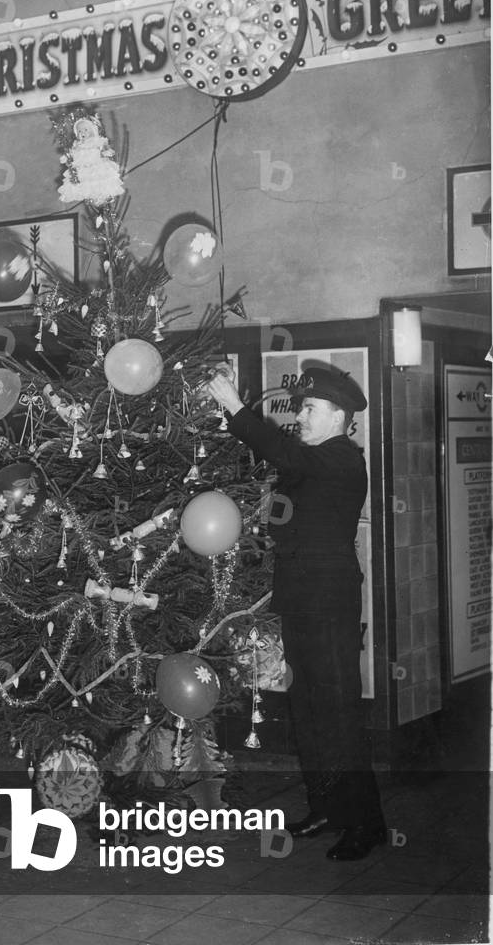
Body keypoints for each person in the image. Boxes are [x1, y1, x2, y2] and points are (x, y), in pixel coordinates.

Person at [208, 363, 386, 861]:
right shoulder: (312, 459)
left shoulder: (343, 459)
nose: (300, 416)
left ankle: (365, 822)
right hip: (302, 598)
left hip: (329, 602)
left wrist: (236, 409)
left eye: (309, 408)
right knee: (307, 708)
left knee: (340, 713)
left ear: (338, 416)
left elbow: (281, 450)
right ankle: (327, 806)